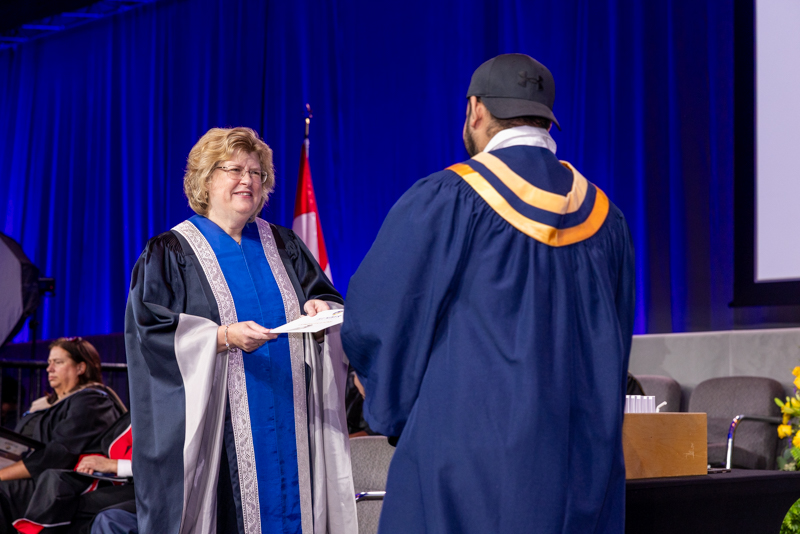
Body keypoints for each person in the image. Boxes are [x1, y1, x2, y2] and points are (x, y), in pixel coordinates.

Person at [341, 53, 635, 533]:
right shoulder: (606, 217)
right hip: (580, 466)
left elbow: (383, 313)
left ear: (476, 110)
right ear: (546, 118)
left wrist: (382, 392)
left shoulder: (450, 198)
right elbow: (616, 345)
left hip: (465, 467)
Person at [125, 127, 357, 534]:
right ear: (206, 178)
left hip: (291, 413)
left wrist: (320, 307)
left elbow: (326, 298)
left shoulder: (284, 245)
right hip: (220, 427)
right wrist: (223, 337)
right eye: (235, 169)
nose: (248, 180)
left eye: (256, 172)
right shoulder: (171, 252)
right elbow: (149, 330)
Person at [0, 337, 126, 529]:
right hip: (30, 474)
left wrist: (2, 474)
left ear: (80, 368)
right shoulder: (41, 406)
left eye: (58, 362)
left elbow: (60, 454)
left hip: (58, 482)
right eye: (49, 363)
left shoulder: (93, 401)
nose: (49, 369)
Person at [12, 412, 133, 534]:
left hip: (140, 489)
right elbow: (102, 448)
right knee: (54, 479)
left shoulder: (93, 400)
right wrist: (91, 462)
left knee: (70, 506)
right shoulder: (132, 415)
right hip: (109, 479)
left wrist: (113, 465)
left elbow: (151, 467)